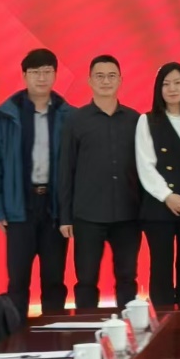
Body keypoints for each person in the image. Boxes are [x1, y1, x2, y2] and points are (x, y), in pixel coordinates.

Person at [0, 48, 72, 316]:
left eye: (47, 72)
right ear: (24, 76)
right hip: (19, 206)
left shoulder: (68, 115)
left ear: (55, 75)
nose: (41, 78)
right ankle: (16, 334)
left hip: (54, 208)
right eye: (35, 72)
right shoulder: (5, 115)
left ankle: (53, 333)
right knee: (18, 282)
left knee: (54, 281)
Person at [58, 55, 142, 310]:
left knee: (127, 278)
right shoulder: (76, 120)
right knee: (86, 280)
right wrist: (65, 216)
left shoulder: (135, 119)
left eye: (111, 76)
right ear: (90, 81)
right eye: (100, 76)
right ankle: (87, 327)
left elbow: (145, 167)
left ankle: (130, 329)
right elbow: (66, 169)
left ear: (120, 80)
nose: (106, 81)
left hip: (128, 214)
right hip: (88, 215)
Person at [135, 63, 180, 306]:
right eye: (166, 84)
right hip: (159, 206)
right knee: (161, 266)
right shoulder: (147, 121)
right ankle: (162, 319)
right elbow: (145, 164)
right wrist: (168, 195)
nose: (172, 89)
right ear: (158, 89)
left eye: (177, 83)